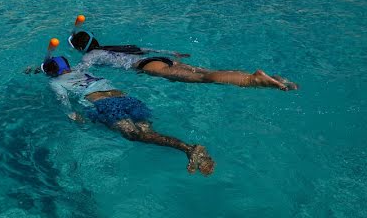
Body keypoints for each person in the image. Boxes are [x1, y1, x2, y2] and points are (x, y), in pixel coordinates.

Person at [41, 39, 215, 176]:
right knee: (148, 134)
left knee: (135, 136)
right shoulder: (83, 70)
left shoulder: (55, 82)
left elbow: (63, 99)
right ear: (68, 67)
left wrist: (71, 114)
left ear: (50, 73)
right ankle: (188, 148)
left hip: (105, 105)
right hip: (125, 98)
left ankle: (189, 149)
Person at [68, 16, 298, 91]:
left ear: (80, 48)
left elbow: (76, 72)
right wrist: (172, 53)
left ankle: (253, 79)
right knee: (206, 72)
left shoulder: (91, 56)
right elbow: (146, 49)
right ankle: (269, 78)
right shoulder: (112, 46)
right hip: (159, 59)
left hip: (147, 67)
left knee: (202, 78)